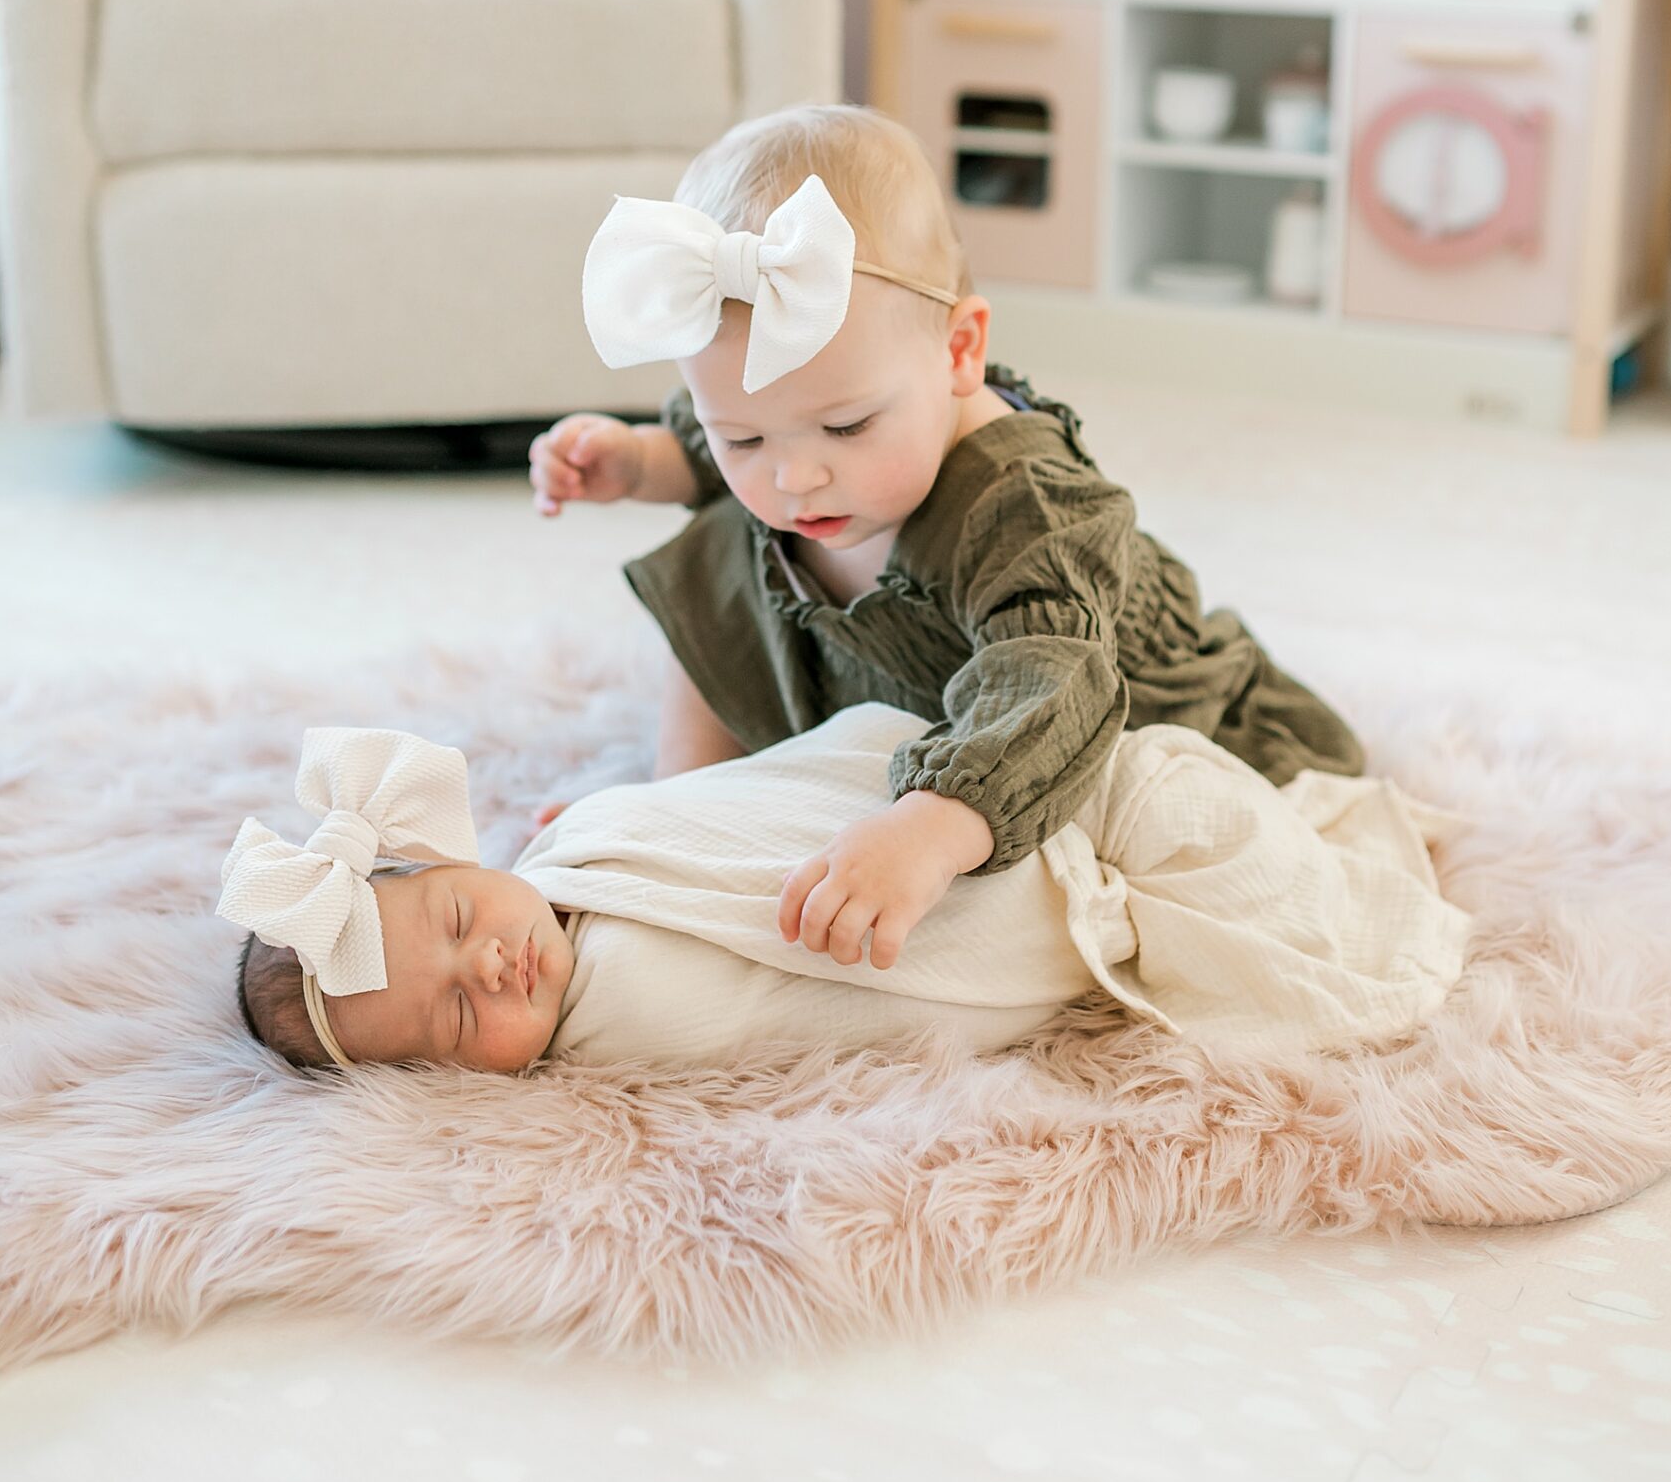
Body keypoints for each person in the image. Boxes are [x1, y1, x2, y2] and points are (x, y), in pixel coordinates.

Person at [531, 105, 1363, 973]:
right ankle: (683, 800)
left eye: (846, 427)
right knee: (717, 545)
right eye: (745, 437)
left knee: (1090, 833)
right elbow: (710, 455)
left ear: (961, 350)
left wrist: (930, 829)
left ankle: (944, 801)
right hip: (900, 681)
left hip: (1079, 723)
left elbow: (1049, 682)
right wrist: (636, 464)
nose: (794, 478)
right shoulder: (791, 436)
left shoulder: (1029, 506)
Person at [223, 716, 1467, 1077]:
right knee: (1277, 937)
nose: (487, 971)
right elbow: (813, 1012)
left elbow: (776, 785)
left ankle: (1317, 815)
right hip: (1054, 890)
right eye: (451, 1023)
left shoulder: (583, 841)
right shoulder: (618, 1026)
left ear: (462, 858)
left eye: (453, 924)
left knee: (1164, 789)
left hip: (1009, 802)